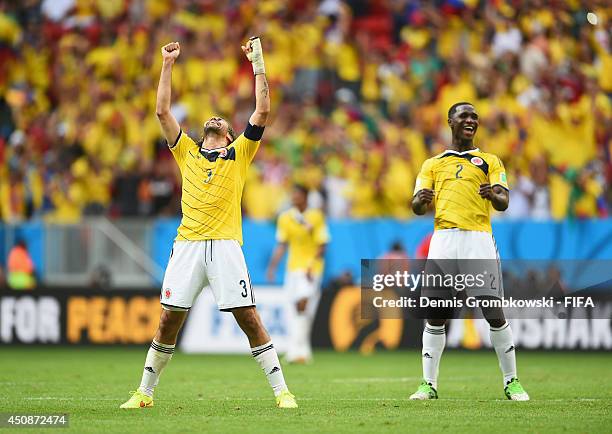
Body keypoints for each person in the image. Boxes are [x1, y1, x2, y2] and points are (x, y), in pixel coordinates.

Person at [120, 37, 297, 409]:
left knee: (248, 317)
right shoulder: (187, 152)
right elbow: (162, 113)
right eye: (212, 122)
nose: (216, 118)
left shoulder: (239, 153)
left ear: (230, 136)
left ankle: (283, 392)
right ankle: (144, 393)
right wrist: (167, 64)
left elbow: (262, 111)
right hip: (187, 245)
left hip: (225, 245)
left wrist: (258, 61)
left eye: (223, 122)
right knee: (169, 319)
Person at [409, 102, 529, 401]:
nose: (471, 120)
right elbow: (416, 206)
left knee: (493, 312)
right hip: (444, 240)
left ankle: (512, 382)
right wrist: (421, 200)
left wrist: (494, 194)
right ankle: (428, 384)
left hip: (478, 240)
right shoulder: (432, 164)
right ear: (450, 121)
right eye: (464, 115)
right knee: (436, 314)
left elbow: (503, 201)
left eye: (475, 116)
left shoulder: (490, 161)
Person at [267, 184, 330, 364]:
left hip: (311, 268)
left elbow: (322, 244)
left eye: (297, 194)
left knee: (303, 303)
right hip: (292, 267)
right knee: (297, 308)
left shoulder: (316, 216)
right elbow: (281, 244)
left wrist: (311, 264)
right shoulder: (286, 218)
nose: (294, 197)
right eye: (292, 194)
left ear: (306, 196)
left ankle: (296, 351)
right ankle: (302, 350)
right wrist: (272, 267)